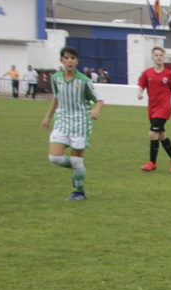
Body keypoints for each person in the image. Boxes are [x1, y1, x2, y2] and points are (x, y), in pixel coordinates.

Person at [41, 46, 104, 202]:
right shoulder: (56, 78)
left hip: (80, 122)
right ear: (61, 60)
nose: (69, 61)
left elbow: (99, 100)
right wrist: (48, 117)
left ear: (77, 61)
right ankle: (77, 171)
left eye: (72, 58)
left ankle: (80, 192)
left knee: (76, 160)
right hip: (62, 120)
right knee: (54, 157)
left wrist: (96, 110)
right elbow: (55, 98)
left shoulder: (84, 81)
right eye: (66, 58)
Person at [137, 46, 171, 172]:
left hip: (164, 108)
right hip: (152, 108)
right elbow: (141, 85)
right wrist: (139, 93)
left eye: (161, 55)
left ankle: (152, 162)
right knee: (161, 135)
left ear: (164, 57)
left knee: (152, 133)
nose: (159, 57)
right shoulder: (147, 73)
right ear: (152, 58)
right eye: (156, 55)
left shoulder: (169, 74)